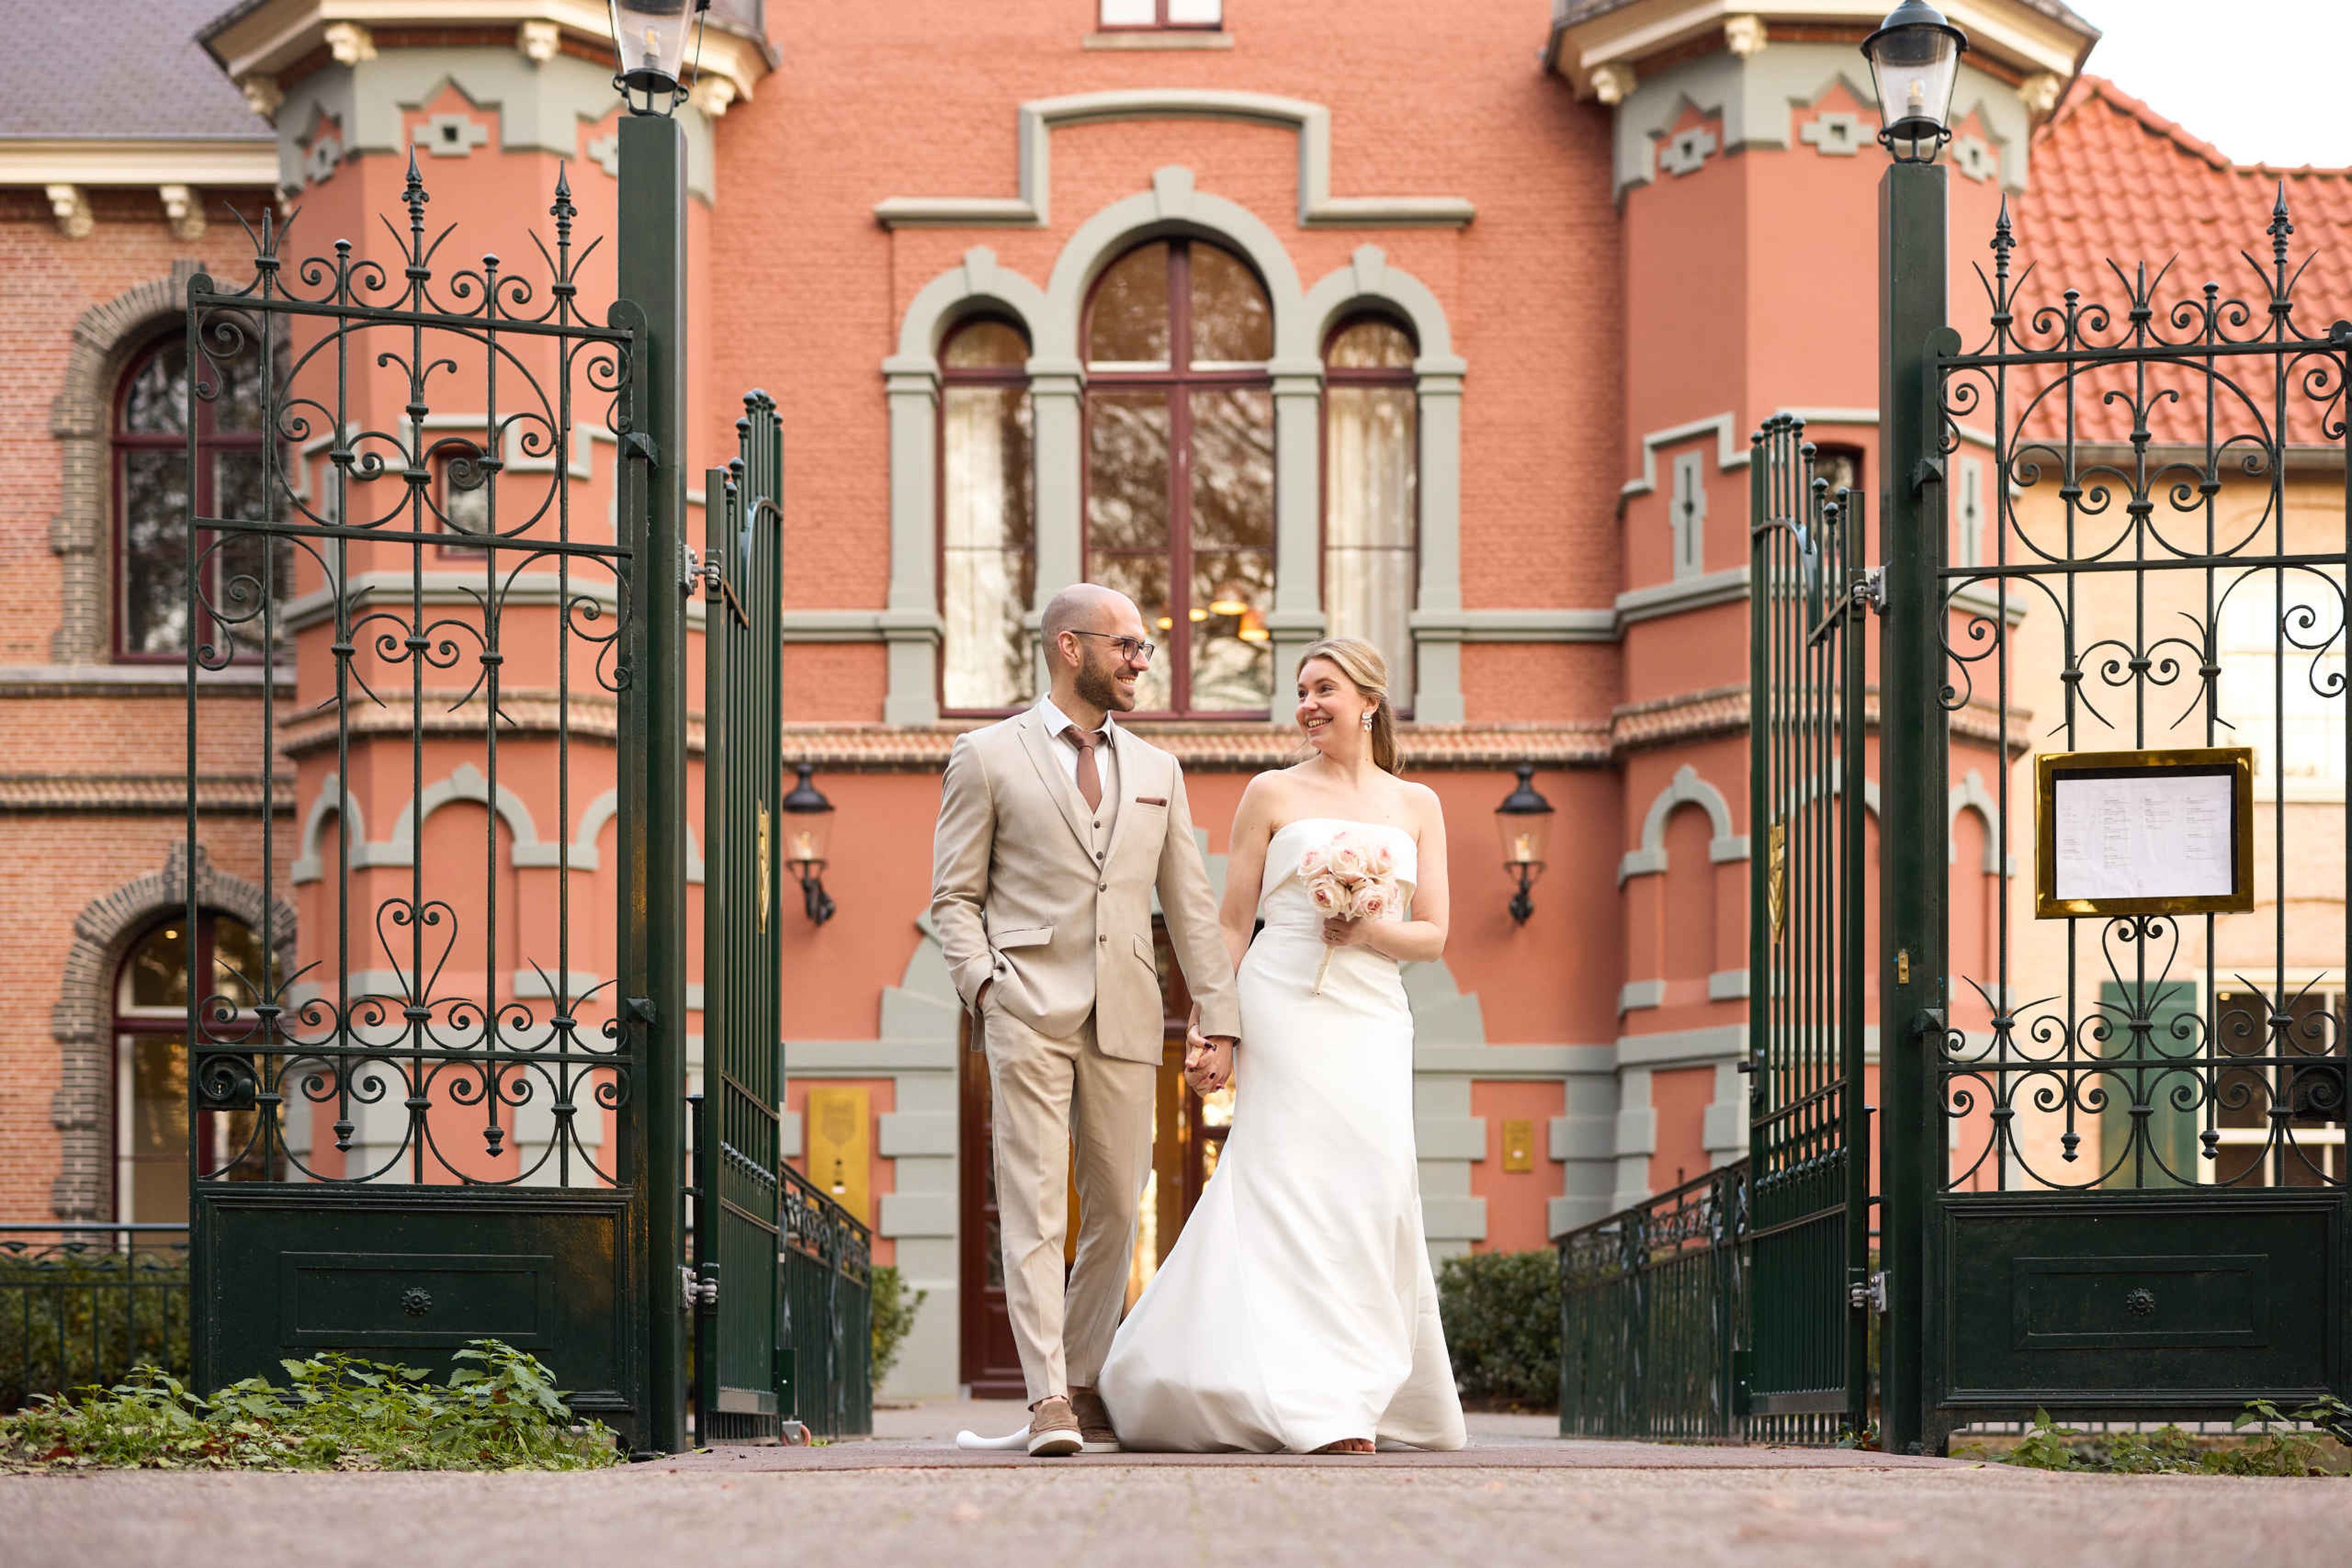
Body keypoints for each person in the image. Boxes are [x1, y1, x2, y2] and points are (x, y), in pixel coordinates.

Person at [1096, 636, 1469, 1453]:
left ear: (1369, 701)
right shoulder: (1270, 793)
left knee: (1370, 1191)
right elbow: (1231, 924)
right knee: (1286, 1181)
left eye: (1324, 689)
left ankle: (1358, 1386)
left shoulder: (1418, 806)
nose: (1308, 704)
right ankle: (1310, 1401)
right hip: (1284, 1001)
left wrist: (1369, 926)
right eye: (1301, 690)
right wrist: (1208, 1025)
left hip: (1373, 1014)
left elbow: (1434, 935)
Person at [929, 582, 1242, 1457]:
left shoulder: (1157, 771)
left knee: (1116, 1199)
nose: (1143, 660)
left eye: (1144, 646)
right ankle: (1048, 1400)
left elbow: (1189, 903)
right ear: (1071, 647)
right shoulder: (986, 756)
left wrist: (1218, 1016)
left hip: (1130, 1011)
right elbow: (952, 898)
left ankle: (1085, 1370)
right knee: (1032, 1204)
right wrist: (985, 987)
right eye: (1129, 645)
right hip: (1025, 1005)